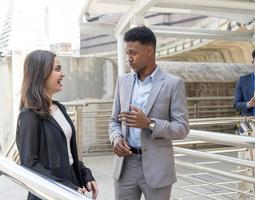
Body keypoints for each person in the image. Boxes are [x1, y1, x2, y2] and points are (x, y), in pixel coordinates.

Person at [109, 26, 189, 200]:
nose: (128, 58)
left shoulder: (173, 83)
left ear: (149, 50)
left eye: (133, 53)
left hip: (158, 168)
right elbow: (114, 121)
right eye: (127, 53)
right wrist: (116, 138)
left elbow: (182, 128)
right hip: (125, 165)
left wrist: (149, 124)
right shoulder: (123, 81)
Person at [16, 50, 98, 200]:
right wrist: (65, 188)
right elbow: (29, 165)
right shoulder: (29, 116)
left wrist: (86, 175)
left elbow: (68, 155)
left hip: (71, 187)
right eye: (57, 69)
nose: (63, 74)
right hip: (50, 194)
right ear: (41, 73)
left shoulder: (59, 108)